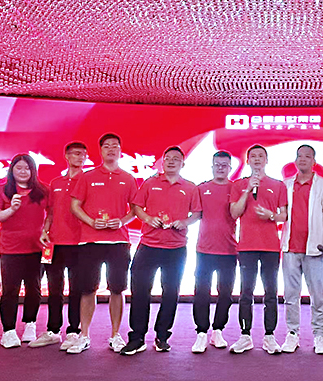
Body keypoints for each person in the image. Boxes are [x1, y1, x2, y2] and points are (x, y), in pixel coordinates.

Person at [121, 146, 201, 355]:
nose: (171, 162)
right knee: (140, 292)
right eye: (168, 159)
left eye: (176, 159)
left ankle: (162, 335)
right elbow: (137, 207)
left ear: (183, 164)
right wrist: (148, 218)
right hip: (148, 246)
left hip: (176, 248)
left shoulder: (190, 187)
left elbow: (197, 214)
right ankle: (137, 337)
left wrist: (184, 222)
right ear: (162, 162)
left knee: (171, 293)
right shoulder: (150, 183)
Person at [68, 133, 138, 354]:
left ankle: (116, 335)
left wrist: (122, 221)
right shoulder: (87, 176)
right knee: (87, 289)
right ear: (100, 151)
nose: (111, 149)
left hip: (118, 242)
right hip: (90, 241)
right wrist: (91, 222)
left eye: (115, 146)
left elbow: (135, 209)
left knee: (117, 289)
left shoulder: (128, 178)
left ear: (120, 151)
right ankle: (84, 335)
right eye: (106, 146)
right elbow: (74, 206)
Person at [228, 145, 287, 355]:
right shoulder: (238, 185)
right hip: (247, 246)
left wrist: (270, 215)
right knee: (246, 291)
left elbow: (283, 216)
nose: (257, 159)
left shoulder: (278, 185)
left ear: (266, 160)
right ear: (248, 160)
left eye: (261, 156)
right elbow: (234, 213)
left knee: (271, 291)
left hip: (270, 246)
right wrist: (247, 191)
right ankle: (245, 336)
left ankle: (270, 336)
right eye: (252, 156)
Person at [29, 142, 87, 350]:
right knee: (54, 288)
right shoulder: (55, 183)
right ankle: (53, 330)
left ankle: (74, 331)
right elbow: (51, 212)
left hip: (79, 243)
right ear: (66, 156)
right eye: (75, 154)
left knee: (76, 288)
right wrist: (45, 231)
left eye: (83, 155)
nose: (80, 158)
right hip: (55, 243)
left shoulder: (88, 180)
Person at [0, 154, 49, 348]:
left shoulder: (43, 191)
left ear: (33, 171)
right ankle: (8, 331)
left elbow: (52, 215)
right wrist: (11, 209)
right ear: (12, 170)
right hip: (10, 249)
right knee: (9, 290)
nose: (23, 172)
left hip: (36, 248)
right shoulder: (1, 191)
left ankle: (30, 324)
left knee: (34, 288)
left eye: (27, 168)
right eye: (19, 168)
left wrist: (46, 231)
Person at [280, 145, 323, 355]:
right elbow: (281, 213)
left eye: (307, 156)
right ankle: (292, 334)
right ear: (295, 160)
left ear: (314, 162)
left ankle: (319, 335)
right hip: (290, 248)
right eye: (299, 156)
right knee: (290, 295)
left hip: (315, 248)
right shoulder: (285, 185)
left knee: (317, 296)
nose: (302, 159)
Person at [190, 151, 238, 353]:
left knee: (225, 293)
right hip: (204, 249)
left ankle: (218, 330)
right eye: (217, 164)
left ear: (230, 168)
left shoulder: (235, 189)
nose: (220, 168)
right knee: (201, 291)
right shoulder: (201, 188)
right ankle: (201, 332)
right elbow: (195, 215)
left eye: (224, 165)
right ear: (211, 166)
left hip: (229, 249)